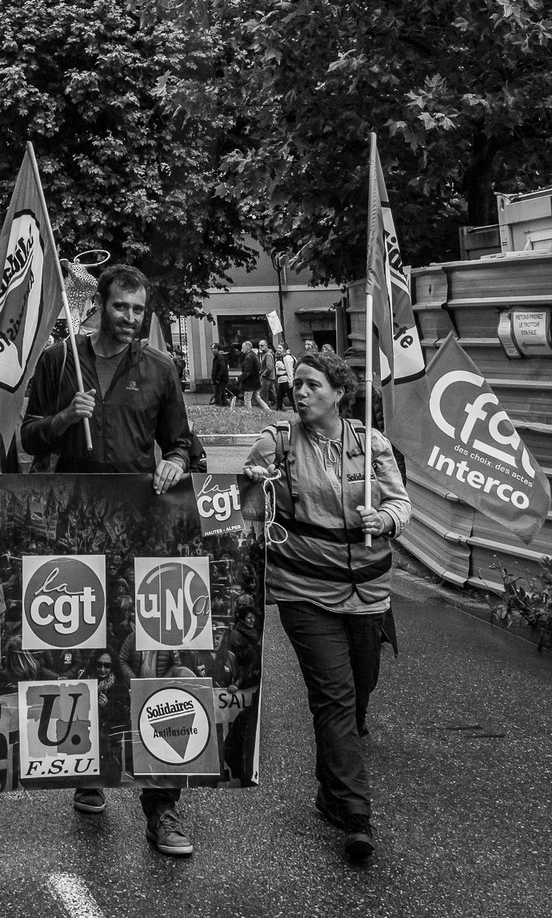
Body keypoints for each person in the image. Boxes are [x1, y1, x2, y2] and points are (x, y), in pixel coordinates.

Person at [20, 263, 204, 858]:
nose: (130, 318)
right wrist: (63, 420)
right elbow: (26, 437)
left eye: (138, 309)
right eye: (121, 307)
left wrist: (175, 461)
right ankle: (89, 771)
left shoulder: (159, 369)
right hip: (69, 535)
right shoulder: (59, 360)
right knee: (81, 659)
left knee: (152, 659)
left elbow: (181, 442)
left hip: (140, 536)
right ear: (99, 304)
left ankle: (163, 807)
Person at [242, 347, 410, 864]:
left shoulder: (371, 442)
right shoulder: (278, 440)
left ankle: (330, 790)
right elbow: (249, 503)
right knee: (333, 696)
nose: (302, 391)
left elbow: (401, 503)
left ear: (340, 394)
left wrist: (383, 520)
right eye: (299, 384)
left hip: (368, 593)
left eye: (315, 384)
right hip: (305, 589)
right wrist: (255, 481)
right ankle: (357, 816)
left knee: (358, 693)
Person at [237, 341, 260, 413]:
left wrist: (239, 378)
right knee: (257, 397)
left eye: (242, 348)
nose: (241, 350)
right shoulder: (254, 355)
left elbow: (247, 372)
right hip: (256, 380)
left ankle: (248, 413)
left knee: (247, 398)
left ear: (247, 348)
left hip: (250, 382)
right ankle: (268, 410)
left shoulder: (248, 357)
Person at [210, 345, 230, 409]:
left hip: (220, 380)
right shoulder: (218, 357)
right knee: (221, 395)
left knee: (218, 395)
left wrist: (218, 378)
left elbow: (222, 368)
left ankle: (220, 407)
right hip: (220, 380)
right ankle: (226, 406)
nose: (212, 350)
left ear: (217, 349)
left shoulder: (219, 357)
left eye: (213, 349)